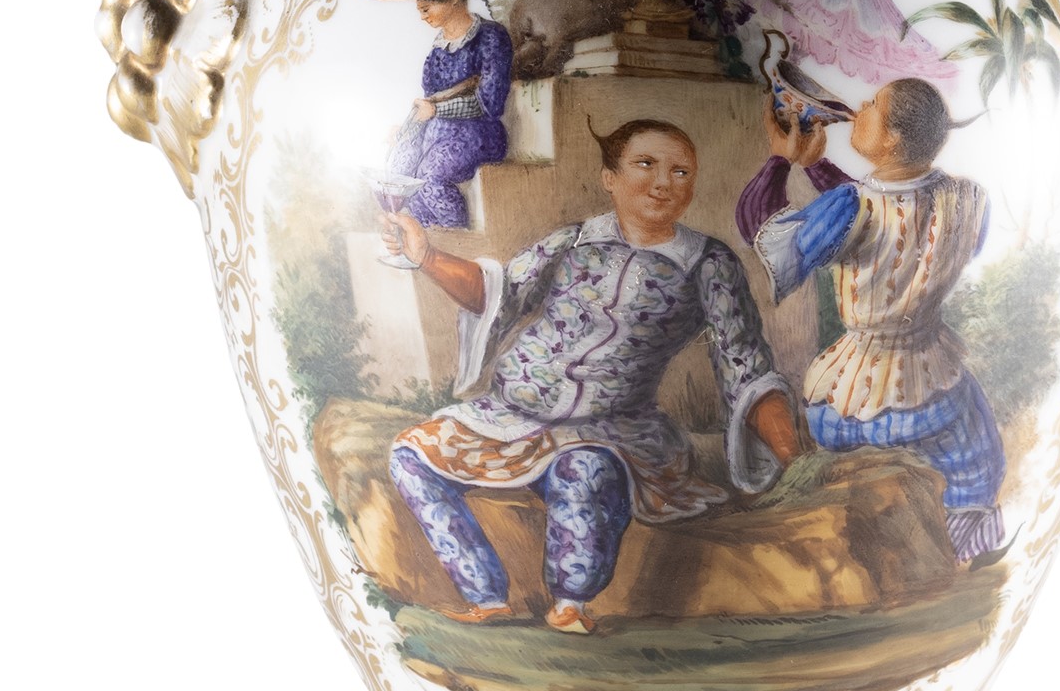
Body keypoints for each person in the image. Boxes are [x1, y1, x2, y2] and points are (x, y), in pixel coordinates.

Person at [383, 119, 802, 632]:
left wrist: (794, 460)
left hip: (614, 432)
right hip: (509, 418)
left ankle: (570, 605)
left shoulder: (706, 263)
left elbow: (744, 363)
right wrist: (424, 255)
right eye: (645, 165)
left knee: (581, 470)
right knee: (409, 454)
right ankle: (486, 596)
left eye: (680, 172)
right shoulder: (574, 241)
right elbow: (500, 296)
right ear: (610, 177)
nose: (663, 183)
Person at [737, 77, 1007, 561]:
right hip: (937, 384)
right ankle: (964, 553)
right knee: (972, 474)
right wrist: (817, 165)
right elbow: (892, 210)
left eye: (874, 104)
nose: (860, 105)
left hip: (855, 400)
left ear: (893, 139)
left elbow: (769, 238)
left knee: (850, 500)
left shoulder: (851, 207)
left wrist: (780, 158)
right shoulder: (966, 200)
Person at [365, 0, 516, 228]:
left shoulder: (490, 36)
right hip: (434, 134)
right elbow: (427, 105)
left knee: (429, 177)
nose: (422, 17)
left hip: (479, 134)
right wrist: (405, 131)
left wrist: (436, 111)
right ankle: (429, 241)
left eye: (426, 9)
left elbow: (491, 103)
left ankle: (458, 239)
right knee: (400, 174)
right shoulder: (436, 52)